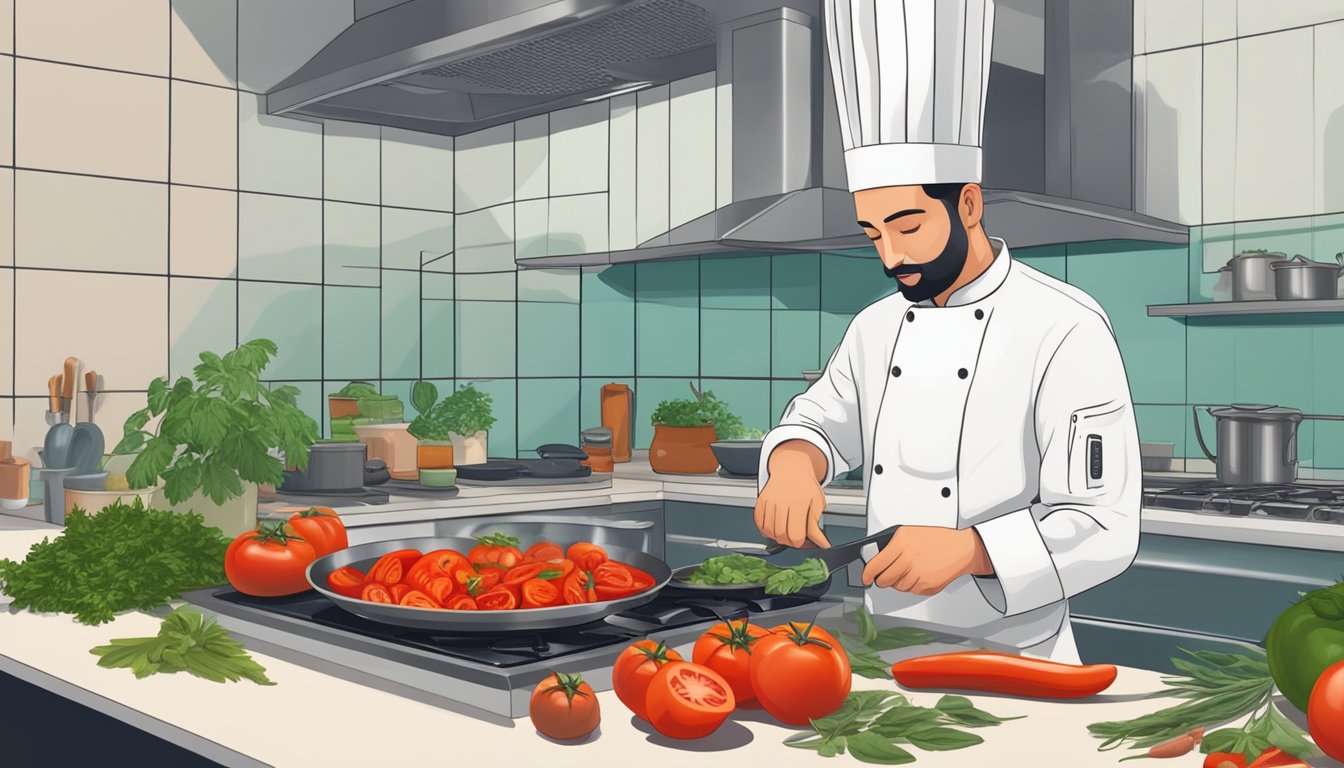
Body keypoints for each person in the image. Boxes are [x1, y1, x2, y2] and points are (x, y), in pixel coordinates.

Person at [754, 0, 1141, 663]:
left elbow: (1104, 525)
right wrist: (793, 464)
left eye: (907, 226)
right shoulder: (877, 327)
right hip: (883, 651)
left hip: (1017, 660)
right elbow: (820, 419)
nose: (890, 256)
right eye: (873, 233)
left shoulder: (1064, 326)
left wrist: (970, 549)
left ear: (968, 203)